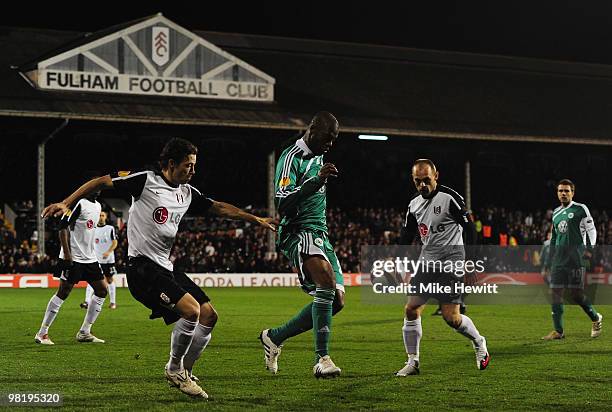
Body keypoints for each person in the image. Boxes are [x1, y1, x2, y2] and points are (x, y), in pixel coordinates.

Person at [42, 137, 277, 399]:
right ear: (170, 163)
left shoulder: (187, 193)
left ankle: (184, 370)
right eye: (188, 165)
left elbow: (220, 208)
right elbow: (101, 181)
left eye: (194, 165)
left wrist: (255, 219)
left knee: (209, 316)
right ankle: (174, 369)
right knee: (191, 311)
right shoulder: (146, 180)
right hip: (142, 268)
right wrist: (66, 201)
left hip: (165, 267)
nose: (193, 171)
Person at [259, 112, 345, 379]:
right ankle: (322, 359)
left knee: (337, 301)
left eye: (334, 139)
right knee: (326, 284)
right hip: (298, 230)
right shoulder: (291, 157)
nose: (330, 143)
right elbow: (282, 202)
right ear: (312, 129)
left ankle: (274, 337)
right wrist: (317, 180)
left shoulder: (318, 155)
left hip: (320, 232)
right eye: (327, 137)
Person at [396, 159, 490, 376]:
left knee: (452, 318)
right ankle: (413, 361)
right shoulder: (413, 204)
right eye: (418, 181)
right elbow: (407, 234)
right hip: (428, 262)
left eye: (427, 180)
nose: (422, 186)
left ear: (436, 176)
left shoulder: (450, 198)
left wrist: (470, 263)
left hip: (452, 261)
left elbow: (470, 230)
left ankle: (478, 341)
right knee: (411, 309)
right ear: (413, 180)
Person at [35, 190, 108, 345]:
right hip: (73, 257)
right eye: (96, 185)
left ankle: (85, 332)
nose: (99, 189)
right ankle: (42, 333)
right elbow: (62, 227)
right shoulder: (78, 203)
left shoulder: (98, 206)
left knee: (102, 290)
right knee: (63, 292)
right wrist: (67, 255)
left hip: (90, 258)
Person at [541, 179, 603, 340]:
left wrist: (590, 250)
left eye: (566, 191)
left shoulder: (580, 209)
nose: (563, 193)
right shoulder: (555, 213)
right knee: (555, 293)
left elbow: (591, 230)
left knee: (576, 295)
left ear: (572, 193)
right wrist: (548, 261)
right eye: (560, 190)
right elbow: (554, 237)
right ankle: (558, 331)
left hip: (576, 259)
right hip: (558, 261)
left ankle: (595, 318)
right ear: (557, 193)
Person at [81, 211, 118, 309]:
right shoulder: (93, 229)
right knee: (91, 280)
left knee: (109, 280)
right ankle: (87, 301)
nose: (101, 217)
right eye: (99, 215)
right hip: (95, 259)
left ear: (105, 217)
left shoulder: (110, 228)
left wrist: (108, 252)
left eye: (103, 215)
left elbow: (115, 242)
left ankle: (113, 302)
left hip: (108, 259)